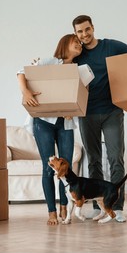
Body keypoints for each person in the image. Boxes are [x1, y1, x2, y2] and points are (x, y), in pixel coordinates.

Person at [72, 15, 127, 222]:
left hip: (112, 112)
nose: (84, 34)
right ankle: (100, 207)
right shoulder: (76, 54)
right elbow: (58, 70)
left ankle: (117, 207)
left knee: (116, 158)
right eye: (80, 31)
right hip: (87, 114)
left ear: (93, 27)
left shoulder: (110, 46)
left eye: (87, 29)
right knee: (93, 161)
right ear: (76, 34)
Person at [17, 34, 82, 225]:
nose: (79, 44)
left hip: (66, 123)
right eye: (75, 41)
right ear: (64, 44)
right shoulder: (48, 62)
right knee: (48, 168)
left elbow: (80, 96)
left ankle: (64, 205)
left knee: (66, 167)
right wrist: (26, 92)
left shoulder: (78, 70)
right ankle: (51, 211)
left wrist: (74, 108)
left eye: (80, 43)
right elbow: (20, 72)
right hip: (43, 121)